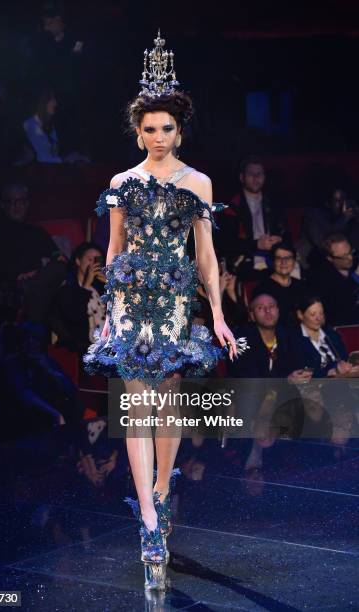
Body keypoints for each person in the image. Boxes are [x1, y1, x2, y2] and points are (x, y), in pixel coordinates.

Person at [82, 32, 248, 591]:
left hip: (175, 300)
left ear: (179, 130)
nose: (157, 137)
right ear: (138, 131)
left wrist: (218, 315)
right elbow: (112, 251)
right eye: (149, 129)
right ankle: (150, 525)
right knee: (137, 408)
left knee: (169, 406)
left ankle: (160, 492)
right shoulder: (121, 183)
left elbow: (206, 255)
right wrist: (108, 312)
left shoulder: (197, 181)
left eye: (166, 128)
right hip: (131, 302)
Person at [0, 183, 67, 327]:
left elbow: (56, 255)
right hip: (9, 286)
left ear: (27, 204)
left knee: (59, 270)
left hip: (38, 280)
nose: (16, 206)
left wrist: (38, 271)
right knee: (43, 294)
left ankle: (31, 332)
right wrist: (18, 275)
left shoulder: (37, 233)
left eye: (21, 201)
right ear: (3, 205)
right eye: (11, 202)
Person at [215, 155, 288, 280]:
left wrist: (278, 239)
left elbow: (285, 232)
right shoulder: (232, 206)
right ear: (242, 177)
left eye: (259, 174)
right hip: (246, 256)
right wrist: (256, 244)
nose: (256, 178)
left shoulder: (272, 203)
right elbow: (226, 243)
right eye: (251, 174)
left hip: (273, 254)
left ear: (264, 177)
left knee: (294, 270)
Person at [49, 242, 106, 352]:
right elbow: (75, 316)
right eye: (90, 259)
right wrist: (86, 286)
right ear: (78, 261)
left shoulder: (103, 288)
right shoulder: (66, 290)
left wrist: (111, 286)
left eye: (97, 260)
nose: (93, 263)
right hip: (81, 350)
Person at [291, 295, 358, 378]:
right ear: (300, 315)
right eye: (313, 314)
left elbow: (344, 358)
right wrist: (332, 370)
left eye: (321, 313)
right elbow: (303, 373)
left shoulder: (331, 334)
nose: (319, 318)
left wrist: (351, 366)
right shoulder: (294, 340)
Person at [307, 233, 359, 326]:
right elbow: (340, 308)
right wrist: (355, 277)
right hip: (343, 327)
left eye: (351, 252)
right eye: (343, 256)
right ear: (330, 258)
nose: (350, 258)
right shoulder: (321, 277)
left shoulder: (355, 263)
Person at [253, 242, 307, 325]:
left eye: (288, 258)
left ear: (294, 261)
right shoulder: (262, 288)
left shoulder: (301, 286)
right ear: (273, 261)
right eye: (278, 258)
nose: (283, 262)